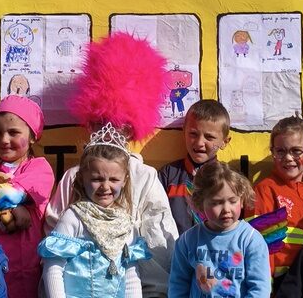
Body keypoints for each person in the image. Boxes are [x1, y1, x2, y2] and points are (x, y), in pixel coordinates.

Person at [44, 32, 179, 297]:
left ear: (131, 127)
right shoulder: (73, 176)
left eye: (118, 123)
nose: (109, 129)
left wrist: (156, 292)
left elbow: (157, 237)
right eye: (100, 121)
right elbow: (53, 233)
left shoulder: (144, 176)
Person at [39, 123, 150, 298]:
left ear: (125, 180)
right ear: (82, 178)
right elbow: (53, 266)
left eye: (114, 179)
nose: (105, 186)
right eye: (97, 179)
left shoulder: (126, 224)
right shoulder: (74, 217)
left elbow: (131, 275)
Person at [0, 95, 54, 298]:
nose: (4, 140)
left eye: (13, 132)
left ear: (32, 136)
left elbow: (9, 194)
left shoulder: (39, 168)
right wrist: (5, 212)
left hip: (23, 268)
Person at [168, 161, 270, 298]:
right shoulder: (188, 240)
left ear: (241, 199)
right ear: (200, 203)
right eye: (216, 203)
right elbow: (178, 285)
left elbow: (260, 288)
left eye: (233, 201)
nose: (226, 209)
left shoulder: (251, 240)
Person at [253, 116, 303, 291]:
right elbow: (259, 245)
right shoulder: (265, 190)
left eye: (296, 151)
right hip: (281, 285)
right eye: (280, 151)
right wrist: (264, 288)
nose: (288, 157)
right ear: (272, 152)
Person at [158, 99, 232, 234]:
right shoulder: (167, 176)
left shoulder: (229, 179)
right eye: (193, 134)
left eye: (209, 137)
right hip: (176, 246)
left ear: (224, 142)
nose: (199, 143)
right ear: (184, 132)